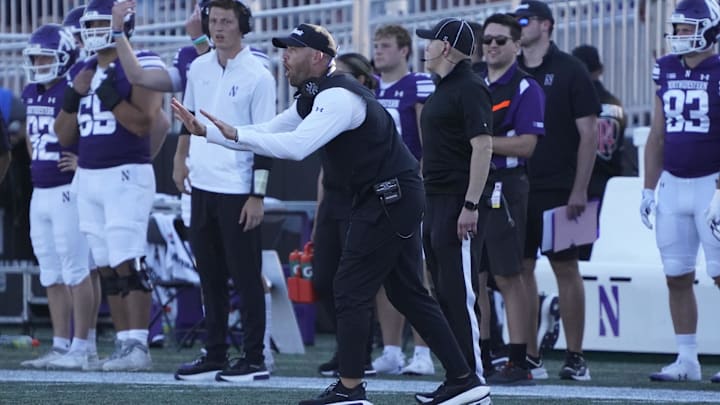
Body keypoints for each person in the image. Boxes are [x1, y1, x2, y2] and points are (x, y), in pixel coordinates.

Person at [172, 22, 491, 405]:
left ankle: (351, 388)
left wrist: (232, 135)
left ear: (318, 57)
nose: (284, 57)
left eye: (292, 49)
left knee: (351, 287)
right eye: (283, 49)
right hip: (390, 195)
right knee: (408, 293)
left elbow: (295, 147)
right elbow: (271, 130)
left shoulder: (339, 96)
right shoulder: (313, 94)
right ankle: (464, 379)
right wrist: (208, 132)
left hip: (389, 196)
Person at [54, 0, 169, 371]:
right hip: (89, 177)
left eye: (104, 22)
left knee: (127, 259)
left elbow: (143, 123)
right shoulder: (84, 68)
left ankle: (139, 344)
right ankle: (124, 344)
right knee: (105, 263)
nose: (94, 30)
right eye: (91, 23)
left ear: (125, 24)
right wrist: (73, 96)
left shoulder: (144, 61)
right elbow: (63, 135)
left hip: (125, 173)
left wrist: (110, 97)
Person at [169, 0, 277, 382]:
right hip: (202, 185)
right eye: (213, 21)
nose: (218, 28)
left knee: (246, 276)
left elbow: (266, 141)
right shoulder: (198, 67)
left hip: (237, 188)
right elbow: (189, 118)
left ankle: (254, 357)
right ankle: (214, 353)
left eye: (226, 22)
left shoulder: (259, 75)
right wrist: (180, 159)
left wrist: (257, 196)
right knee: (209, 275)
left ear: (242, 26)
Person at [513, 0, 600, 382]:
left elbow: (589, 134)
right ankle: (530, 356)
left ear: (546, 25)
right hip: (516, 185)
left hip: (560, 188)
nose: (519, 26)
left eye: (525, 20)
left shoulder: (571, 70)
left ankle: (575, 356)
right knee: (520, 270)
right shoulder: (509, 68)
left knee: (566, 267)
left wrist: (580, 188)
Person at [643, 0, 720, 383]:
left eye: (686, 28)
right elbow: (657, 134)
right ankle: (687, 358)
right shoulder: (667, 67)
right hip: (674, 183)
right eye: (676, 28)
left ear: (708, 29)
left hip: (713, 182)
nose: (678, 35)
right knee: (676, 273)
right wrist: (647, 188)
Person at [17, 23, 101, 371]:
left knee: (76, 269)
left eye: (43, 58)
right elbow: (28, 137)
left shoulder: (74, 88)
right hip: (41, 190)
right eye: (34, 58)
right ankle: (61, 343)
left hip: (68, 189)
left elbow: (97, 128)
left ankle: (83, 345)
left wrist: (85, 160)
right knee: (51, 272)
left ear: (64, 58)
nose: (37, 64)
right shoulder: (31, 91)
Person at [417, 17, 493, 380]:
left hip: (455, 201)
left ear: (445, 47)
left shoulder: (470, 87)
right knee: (444, 293)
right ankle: (456, 376)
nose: (425, 47)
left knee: (459, 294)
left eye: (430, 41)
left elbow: (483, 146)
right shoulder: (443, 88)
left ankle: (471, 378)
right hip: (435, 200)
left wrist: (471, 204)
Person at [479, 13, 545, 385]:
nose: (491, 46)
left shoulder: (526, 88)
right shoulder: (472, 81)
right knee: (478, 275)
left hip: (505, 185)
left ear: (517, 46)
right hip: (474, 184)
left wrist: (480, 144)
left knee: (508, 274)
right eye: (487, 39)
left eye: (500, 40)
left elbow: (526, 145)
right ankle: (484, 353)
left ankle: (518, 359)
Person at [372, 23, 436, 376]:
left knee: (418, 272)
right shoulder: (369, 86)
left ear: (404, 51)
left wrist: (422, 183)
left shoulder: (418, 84)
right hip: (376, 191)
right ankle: (392, 349)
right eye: (376, 45)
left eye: (385, 46)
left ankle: (423, 353)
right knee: (384, 272)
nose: (378, 51)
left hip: (410, 187)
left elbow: (429, 142)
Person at [312, 51, 378, 378]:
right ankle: (348, 346)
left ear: (362, 80)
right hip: (333, 201)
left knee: (352, 282)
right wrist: (319, 213)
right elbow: (325, 169)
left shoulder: (366, 111)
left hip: (360, 200)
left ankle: (358, 353)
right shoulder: (328, 108)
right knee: (323, 277)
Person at [571, 44, 626, 261]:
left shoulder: (577, 99)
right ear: (600, 69)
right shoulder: (616, 103)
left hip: (582, 184)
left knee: (577, 256)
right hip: (609, 185)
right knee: (600, 255)